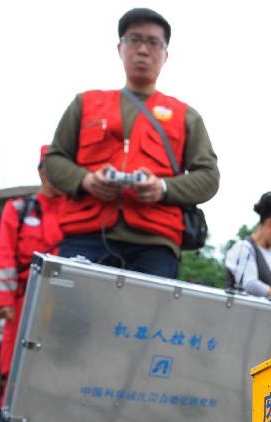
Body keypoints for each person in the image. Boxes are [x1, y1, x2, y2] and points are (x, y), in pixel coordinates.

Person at [45, 7, 219, 279]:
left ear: (165, 55)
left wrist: (162, 187)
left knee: (145, 322)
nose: (142, 50)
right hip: (85, 237)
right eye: (134, 39)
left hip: (155, 245)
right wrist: (87, 181)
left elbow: (209, 177)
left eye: (153, 42)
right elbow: (54, 159)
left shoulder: (186, 116)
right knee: (76, 321)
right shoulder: (86, 103)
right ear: (120, 48)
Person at [0, 147, 63, 390]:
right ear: (41, 172)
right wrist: (3, 300)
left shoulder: (76, 213)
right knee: (15, 365)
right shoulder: (19, 210)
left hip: (62, 302)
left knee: (56, 366)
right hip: (24, 300)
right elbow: (4, 256)